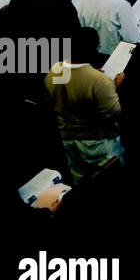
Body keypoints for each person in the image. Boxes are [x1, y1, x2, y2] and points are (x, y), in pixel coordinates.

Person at [44, 27, 124, 184]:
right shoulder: (99, 81)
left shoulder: (55, 70)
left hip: (68, 141)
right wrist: (115, 86)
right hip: (100, 146)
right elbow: (114, 112)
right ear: (93, 48)